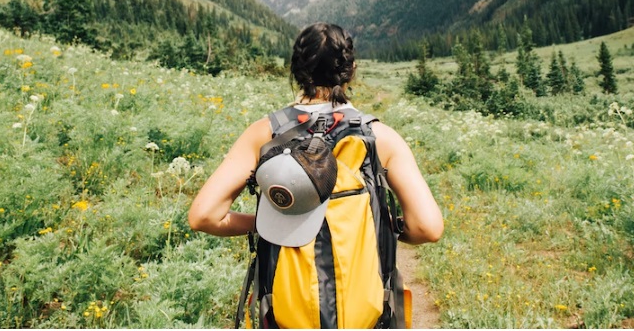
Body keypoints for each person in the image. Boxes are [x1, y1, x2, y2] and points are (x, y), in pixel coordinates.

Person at [188, 22, 443, 245]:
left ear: (296, 71)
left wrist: (266, 225)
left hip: (284, 297)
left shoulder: (264, 133)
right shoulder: (381, 137)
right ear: (351, 70)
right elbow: (427, 228)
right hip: (363, 299)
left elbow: (204, 216)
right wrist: (376, 224)